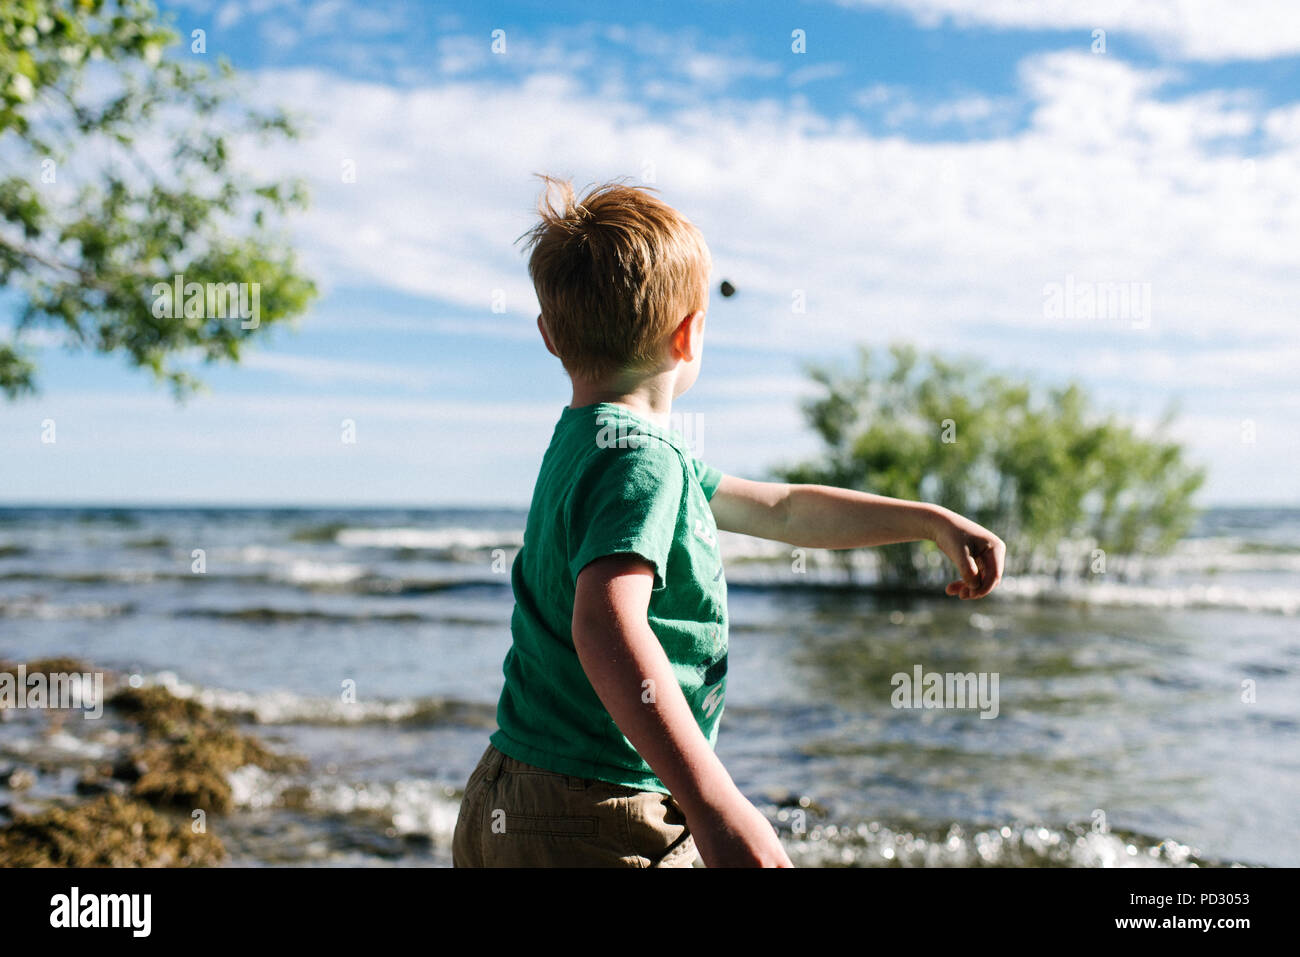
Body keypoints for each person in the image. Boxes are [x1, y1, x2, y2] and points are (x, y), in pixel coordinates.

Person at [451, 174, 1005, 868]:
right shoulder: (641, 463)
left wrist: (926, 520)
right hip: (599, 812)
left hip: (507, 792)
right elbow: (604, 623)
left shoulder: (590, 444)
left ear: (548, 337)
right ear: (690, 334)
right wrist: (716, 802)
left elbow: (784, 507)